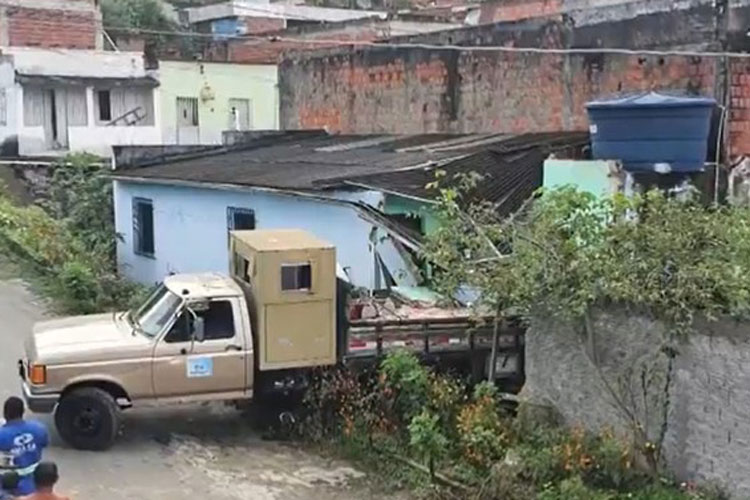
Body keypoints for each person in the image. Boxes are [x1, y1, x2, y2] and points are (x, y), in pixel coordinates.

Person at [0, 398, 48, 495]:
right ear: (23, 411)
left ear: (5, 414)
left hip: (9, 486)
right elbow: (44, 443)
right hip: (35, 482)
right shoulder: (39, 428)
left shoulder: (2, 434)